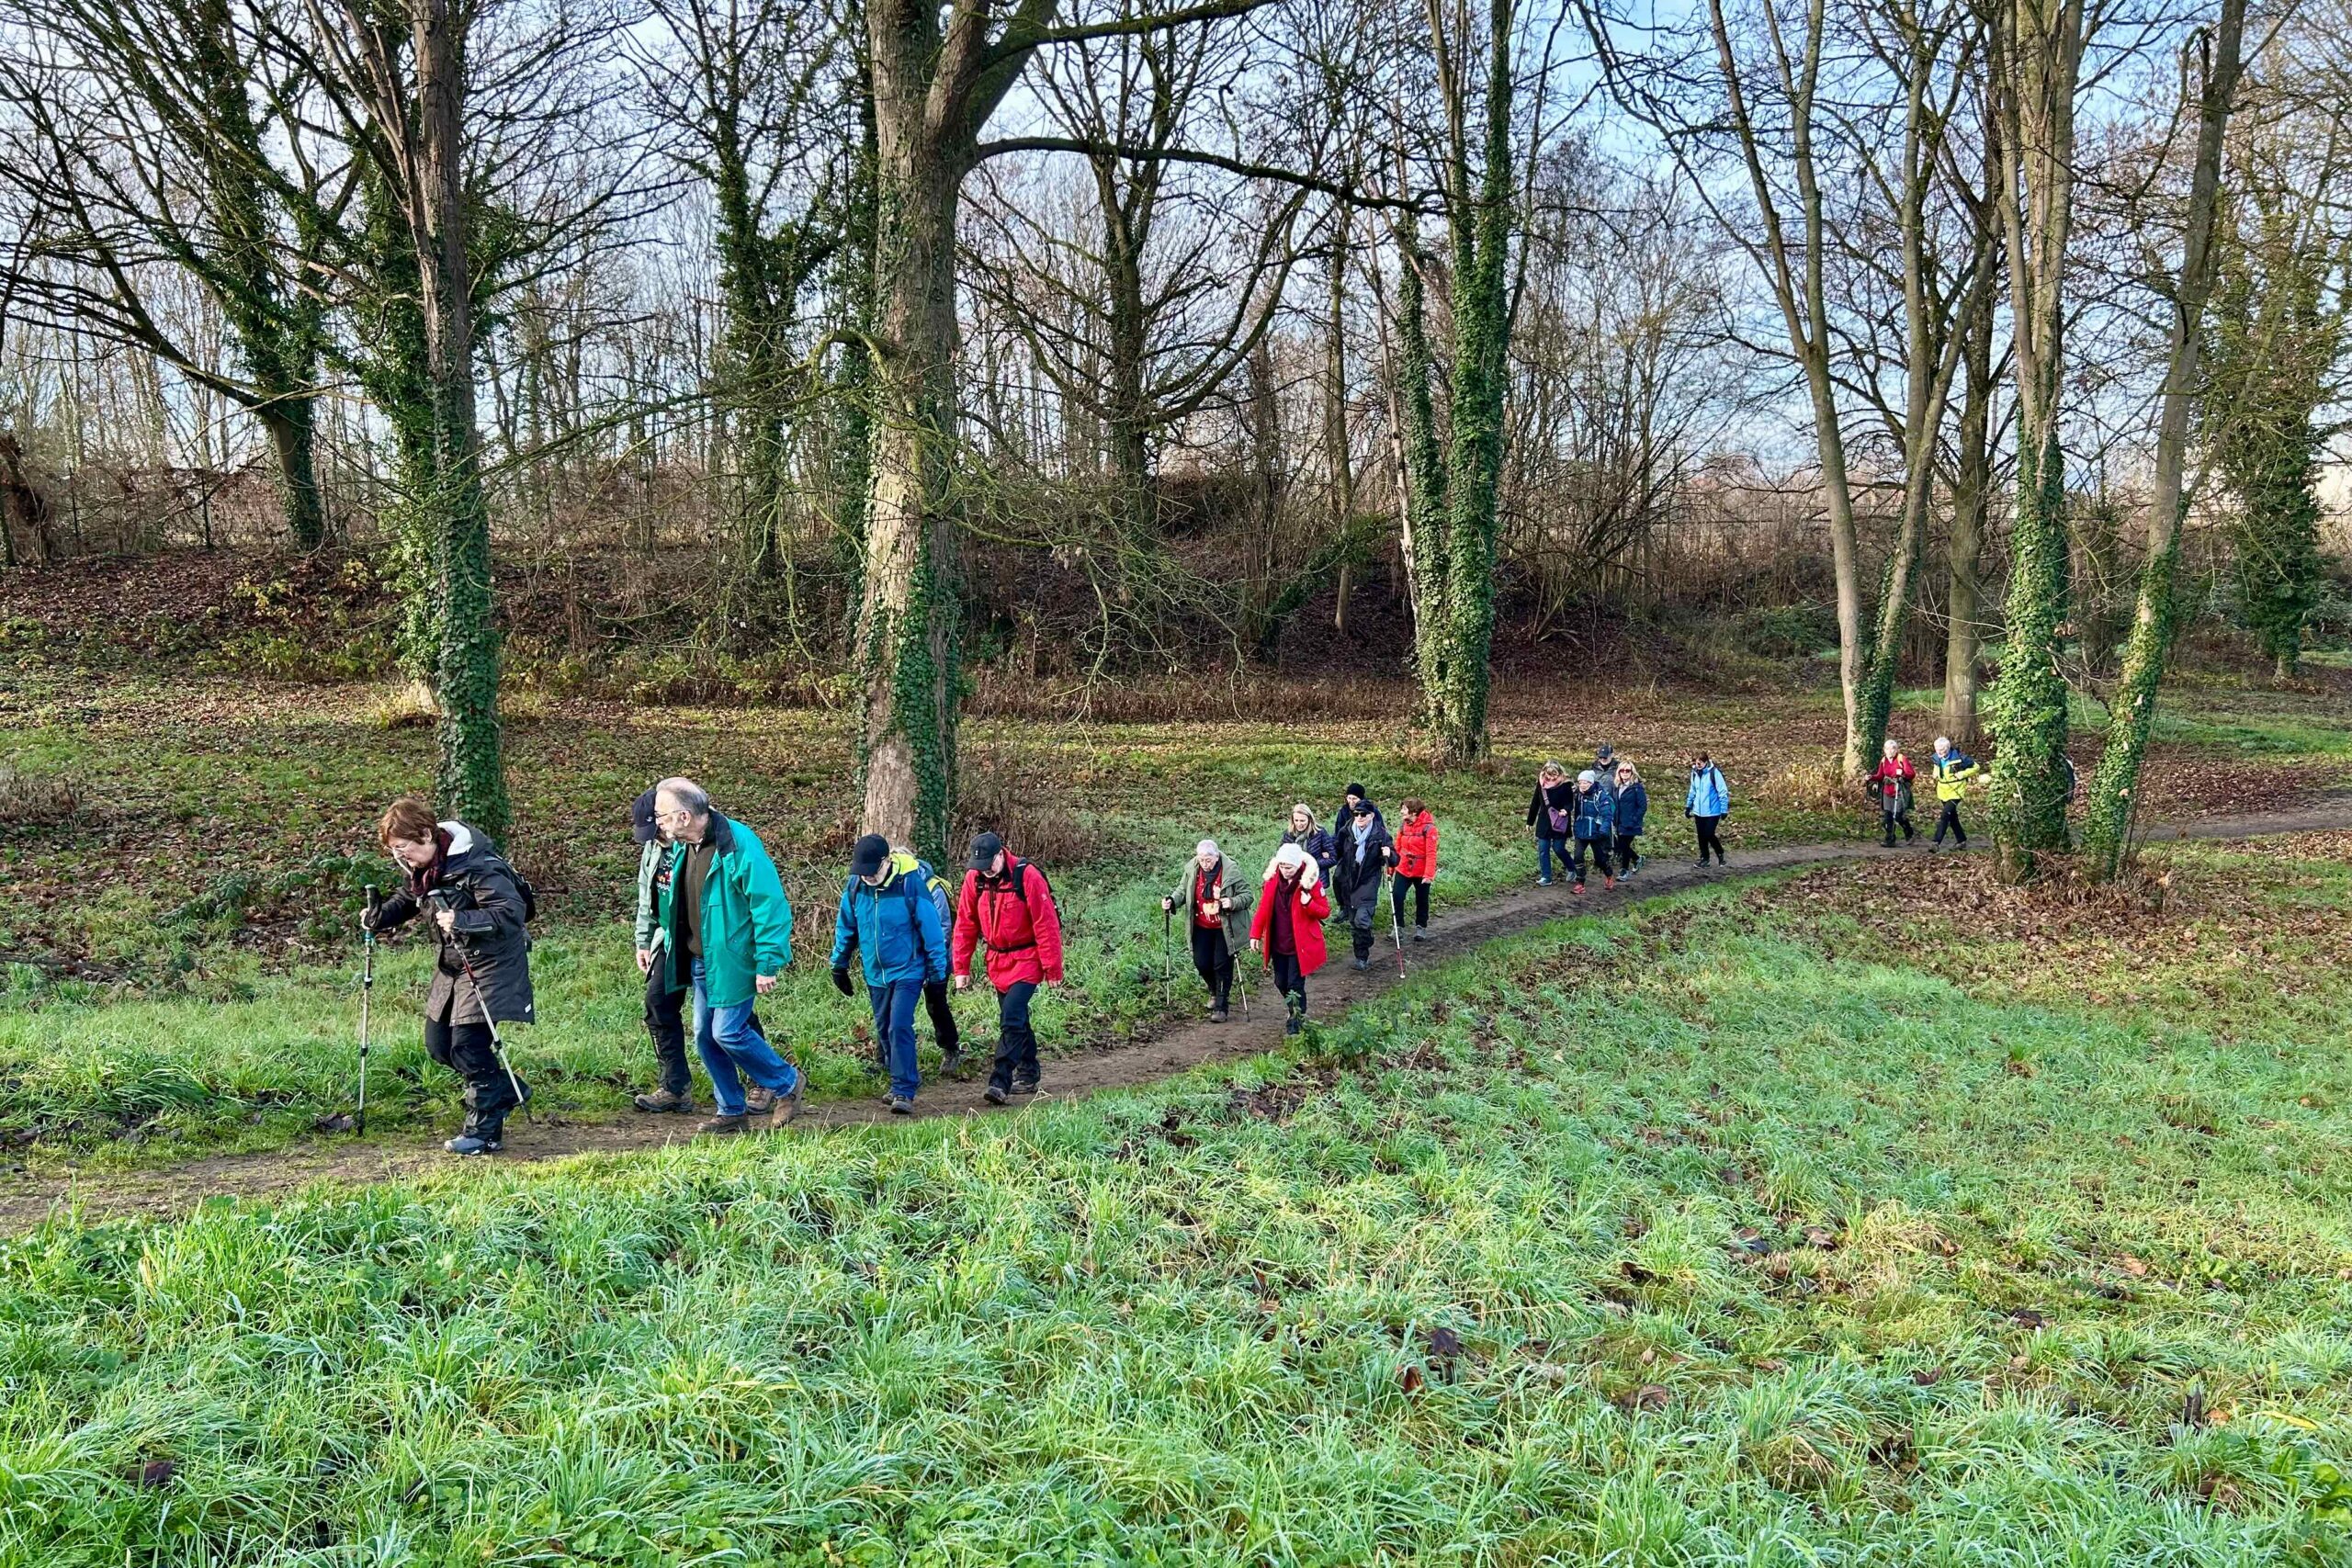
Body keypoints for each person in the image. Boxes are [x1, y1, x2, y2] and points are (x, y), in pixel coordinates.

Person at [365, 797, 535, 1156]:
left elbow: (510, 912)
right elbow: (410, 897)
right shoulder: (427, 866)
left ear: (426, 835)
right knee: (439, 1046)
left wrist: (463, 919)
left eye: (403, 848)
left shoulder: (478, 865)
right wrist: (380, 917)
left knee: (468, 1045)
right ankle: (507, 1090)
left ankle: (484, 1133)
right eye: (394, 850)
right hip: (454, 963)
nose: (400, 857)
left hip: (493, 963)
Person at [650, 777, 803, 1136]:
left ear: (684, 816)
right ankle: (731, 1110)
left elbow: (769, 904)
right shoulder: (683, 846)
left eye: (661, 815)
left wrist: (768, 962)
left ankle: (788, 1082)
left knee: (728, 1032)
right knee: (705, 1036)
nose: (657, 821)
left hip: (734, 960)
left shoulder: (738, 843)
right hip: (701, 961)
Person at [830, 832, 947, 1114]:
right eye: (863, 872)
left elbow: (932, 929)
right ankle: (900, 1081)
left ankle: (904, 1089)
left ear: (887, 861)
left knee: (899, 1026)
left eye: (873, 871)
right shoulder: (856, 885)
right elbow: (847, 927)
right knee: (884, 1029)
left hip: (908, 970)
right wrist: (839, 964)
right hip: (875, 972)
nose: (868, 877)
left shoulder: (910, 883)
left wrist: (937, 973)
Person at [952, 831, 1065, 1105]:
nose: (986, 871)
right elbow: (965, 924)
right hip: (997, 961)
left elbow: (1046, 924)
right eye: (981, 867)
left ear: (1001, 854)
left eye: (990, 864)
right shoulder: (975, 879)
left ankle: (1000, 1080)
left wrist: (1052, 969)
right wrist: (961, 968)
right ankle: (1028, 1071)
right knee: (1017, 1018)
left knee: (1011, 1017)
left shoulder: (1027, 876)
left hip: (1028, 959)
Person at [1161, 839, 1253, 1022]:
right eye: (1201, 859)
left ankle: (1221, 1006)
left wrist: (1232, 902)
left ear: (1217, 857)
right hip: (1201, 925)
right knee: (1201, 962)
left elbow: (1248, 896)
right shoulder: (1192, 870)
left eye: (1208, 860)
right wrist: (1171, 901)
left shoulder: (1231, 871)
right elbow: (1182, 890)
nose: (1205, 864)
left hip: (1224, 927)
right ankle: (1214, 990)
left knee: (1221, 964)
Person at [1249, 842, 1330, 1036]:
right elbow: (1263, 909)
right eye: (1282, 866)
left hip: (1300, 945)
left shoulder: (1310, 883)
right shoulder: (1272, 881)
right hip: (1278, 942)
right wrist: (1255, 934)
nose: (1285, 871)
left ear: (1298, 865)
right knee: (1280, 982)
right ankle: (1293, 1008)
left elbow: (1325, 911)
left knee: (1295, 984)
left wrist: (1308, 903)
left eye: (1289, 867)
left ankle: (1296, 1019)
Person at [1332, 796, 1396, 970]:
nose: (1359, 817)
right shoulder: (1346, 831)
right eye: (1356, 814)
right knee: (1354, 922)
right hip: (1348, 881)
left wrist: (1389, 854)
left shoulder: (1380, 834)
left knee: (1361, 920)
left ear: (1371, 816)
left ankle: (1361, 958)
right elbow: (1336, 850)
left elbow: (1394, 860)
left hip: (1368, 881)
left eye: (1363, 814)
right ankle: (1365, 943)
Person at [1391, 797, 1437, 940]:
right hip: (1403, 867)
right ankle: (1398, 927)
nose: (1401, 812)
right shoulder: (1403, 826)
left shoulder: (1429, 829)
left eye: (1404, 809)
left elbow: (1431, 853)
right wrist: (1391, 868)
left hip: (1421, 871)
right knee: (1397, 896)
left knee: (1422, 899)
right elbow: (1397, 848)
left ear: (1414, 811)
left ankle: (1421, 927)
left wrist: (1428, 875)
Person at [1524, 761, 1576, 886]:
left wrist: (1566, 810)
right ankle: (1546, 877)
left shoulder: (1565, 785)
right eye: (1549, 774)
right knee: (1543, 849)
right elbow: (1535, 802)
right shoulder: (1541, 783)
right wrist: (1530, 821)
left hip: (1560, 821)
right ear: (1544, 772)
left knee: (1558, 848)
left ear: (1560, 773)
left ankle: (1572, 868)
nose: (1551, 778)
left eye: (1554, 775)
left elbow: (1570, 803)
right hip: (1544, 821)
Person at [1930, 736, 1981, 850]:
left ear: (1948, 748)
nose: (1939, 752)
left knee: (1945, 815)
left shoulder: (1960, 758)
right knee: (1952, 817)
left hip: (1956, 791)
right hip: (1942, 791)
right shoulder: (1936, 758)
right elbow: (1937, 767)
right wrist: (1935, 774)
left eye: (1942, 750)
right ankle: (1961, 841)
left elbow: (1976, 767)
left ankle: (1936, 843)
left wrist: (1962, 774)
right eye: (1937, 750)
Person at [1570, 768, 1616, 894]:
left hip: (1596, 832)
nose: (1582, 785)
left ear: (1591, 783)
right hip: (1581, 831)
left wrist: (1603, 830)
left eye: (1585, 782)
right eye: (1580, 782)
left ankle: (1609, 875)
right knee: (1577, 857)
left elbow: (1607, 815)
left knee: (1600, 859)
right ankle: (1580, 883)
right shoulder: (1577, 795)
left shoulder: (1601, 795)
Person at [1872, 739, 1917, 847]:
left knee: (1898, 816)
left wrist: (1902, 776)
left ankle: (1909, 832)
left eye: (1893, 749)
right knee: (1888, 816)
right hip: (1887, 791)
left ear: (1896, 750)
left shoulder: (1901, 759)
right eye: (1887, 749)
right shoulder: (1884, 760)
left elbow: (1911, 773)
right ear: (1884, 750)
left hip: (1899, 790)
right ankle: (1890, 840)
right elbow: (1880, 776)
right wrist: (1871, 778)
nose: (1890, 751)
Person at [1686, 753, 1730, 866]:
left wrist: (1724, 809)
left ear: (1706, 762)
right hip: (1698, 811)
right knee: (1701, 836)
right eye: (1696, 763)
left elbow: (1722, 791)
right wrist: (1688, 806)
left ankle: (1720, 853)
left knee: (1709, 834)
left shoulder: (1714, 773)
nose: (1698, 765)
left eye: (1700, 763)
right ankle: (1704, 859)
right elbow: (1693, 790)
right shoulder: (1694, 773)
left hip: (1713, 811)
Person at [1282, 803, 1339, 886]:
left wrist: (1312, 864)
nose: (1299, 824)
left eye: (1302, 821)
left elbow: (1333, 858)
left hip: (1317, 880)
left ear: (1309, 819)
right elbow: (1282, 857)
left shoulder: (1320, 833)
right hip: (1294, 879)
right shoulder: (1288, 834)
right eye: (1296, 820)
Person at [1610, 762, 1648, 880]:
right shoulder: (1616, 787)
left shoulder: (1637, 788)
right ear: (1619, 772)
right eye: (1622, 770)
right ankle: (1637, 858)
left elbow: (1642, 806)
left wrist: (1634, 819)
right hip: (1619, 821)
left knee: (1624, 845)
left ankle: (1624, 870)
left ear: (1632, 772)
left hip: (1631, 823)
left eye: (1628, 770)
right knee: (1621, 845)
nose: (1625, 773)